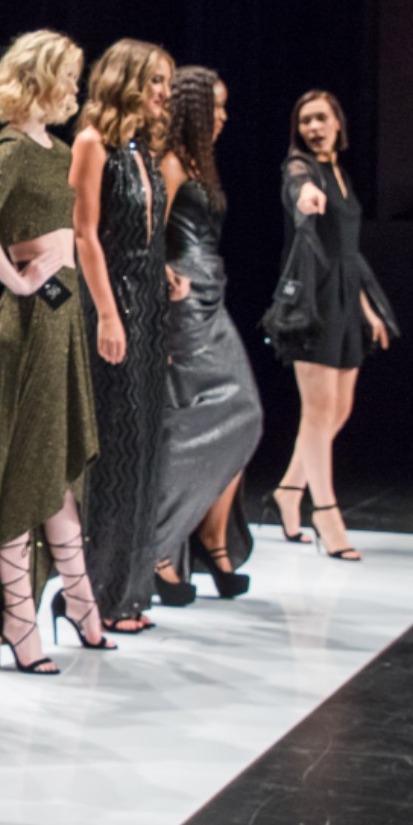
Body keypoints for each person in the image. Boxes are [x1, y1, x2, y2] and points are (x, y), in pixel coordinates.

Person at [0, 30, 113, 674]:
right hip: (29, 322)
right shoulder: (11, 150)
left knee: (55, 466)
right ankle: (23, 624)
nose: (76, 91)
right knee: (28, 468)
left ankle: (80, 602)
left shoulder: (53, 153)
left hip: (63, 316)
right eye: (69, 78)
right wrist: (17, 275)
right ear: (42, 78)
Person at [265, 90, 400, 561]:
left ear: (338, 122)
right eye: (305, 121)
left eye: (321, 118)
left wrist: (368, 308)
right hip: (313, 303)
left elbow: (349, 251)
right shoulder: (300, 168)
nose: (313, 128)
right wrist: (305, 193)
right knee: (318, 415)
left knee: (337, 411)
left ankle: (288, 490)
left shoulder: (340, 172)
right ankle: (325, 511)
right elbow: (296, 186)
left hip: (345, 298)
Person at [70, 38, 177, 631]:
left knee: (145, 449)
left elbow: (143, 236)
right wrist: (110, 315)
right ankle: (98, 595)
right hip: (112, 304)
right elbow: (86, 235)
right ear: (128, 80)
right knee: (116, 448)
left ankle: (129, 590)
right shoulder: (93, 144)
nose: (165, 93)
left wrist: (163, 276)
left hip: (149, 303)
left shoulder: (143, 149)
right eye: (156, 81)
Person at [154, 67, 260, 596]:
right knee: (197, 422)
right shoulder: (171, 163)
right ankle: (160, 547)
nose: (221, 118)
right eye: (213, 109)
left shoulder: (201, 162)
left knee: (245, 416)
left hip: (211, 298)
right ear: (192, 111)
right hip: (184, 306)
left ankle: (213, 539)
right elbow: (150, 236)